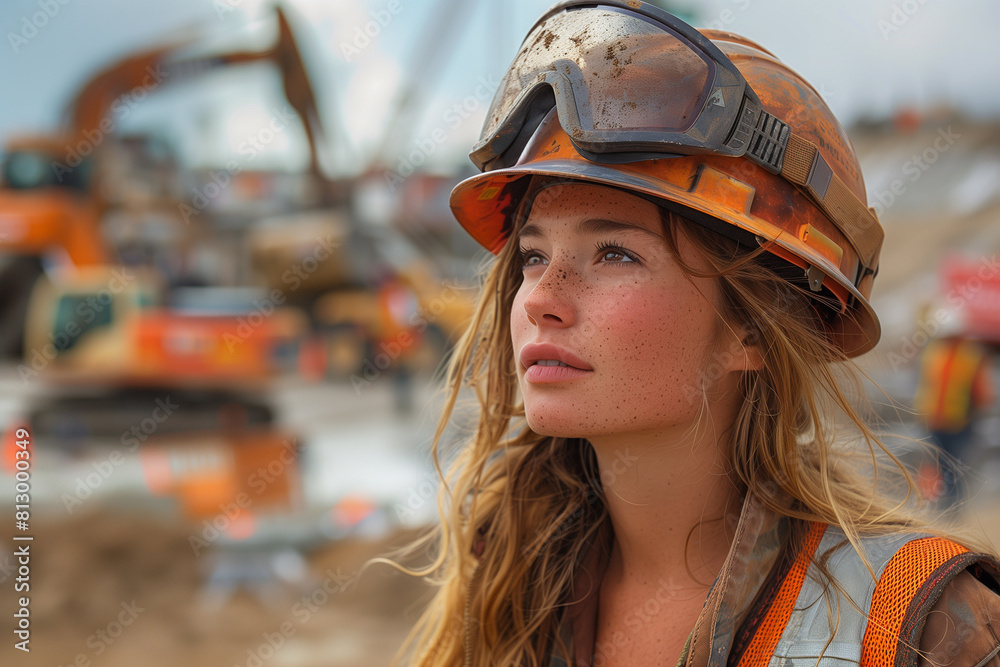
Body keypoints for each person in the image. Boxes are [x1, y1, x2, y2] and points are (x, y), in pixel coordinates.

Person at [393, 2, 1000, 665]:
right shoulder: (506, 585)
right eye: (534, 256)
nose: (539, 299)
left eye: (614, 254)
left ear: (754, 327)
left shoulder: (919, 624)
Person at [914, 331, 996, 506]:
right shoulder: (970, 355)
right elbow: (984, 395)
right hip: (945, 422)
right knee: (951, 469)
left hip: (951, 422)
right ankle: (949, 508)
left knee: (948, 469)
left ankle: (949, 508)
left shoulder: (937, 352)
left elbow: (983, 394)